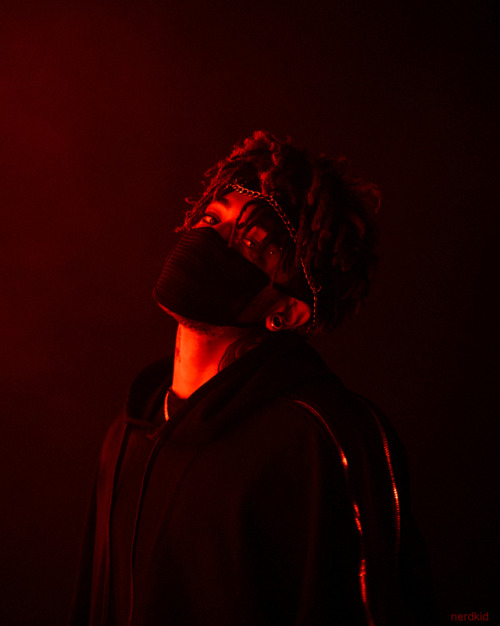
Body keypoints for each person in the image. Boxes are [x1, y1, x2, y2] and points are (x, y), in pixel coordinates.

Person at [69, 131, 436, 625]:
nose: (208, 239)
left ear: (286, 311)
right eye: (211, 218)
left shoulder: (323, 441)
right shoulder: (130, 431)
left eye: (252, 240)